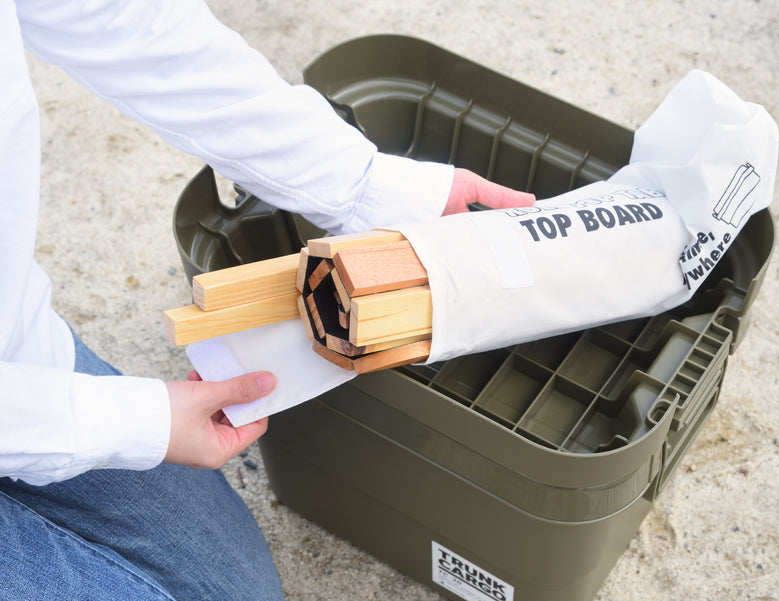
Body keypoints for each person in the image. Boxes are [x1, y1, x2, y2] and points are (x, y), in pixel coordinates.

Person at [0, 1, 535, 599]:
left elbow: (116, 16)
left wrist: (368, 187)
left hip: (17, 355)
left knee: (239, 589)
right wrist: (129, 421)